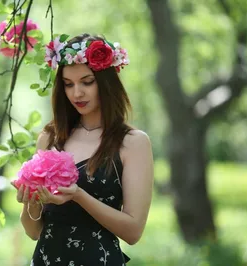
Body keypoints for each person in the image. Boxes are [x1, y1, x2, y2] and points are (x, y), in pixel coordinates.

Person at [11, 33, 154, 266]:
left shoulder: (132, 142)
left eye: (87, 82)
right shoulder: (50, 138)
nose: (77, 93)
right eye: (68, 84)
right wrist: (31, 203)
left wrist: (78, 196)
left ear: (106, 82)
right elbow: (34, 231)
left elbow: (133, 232)